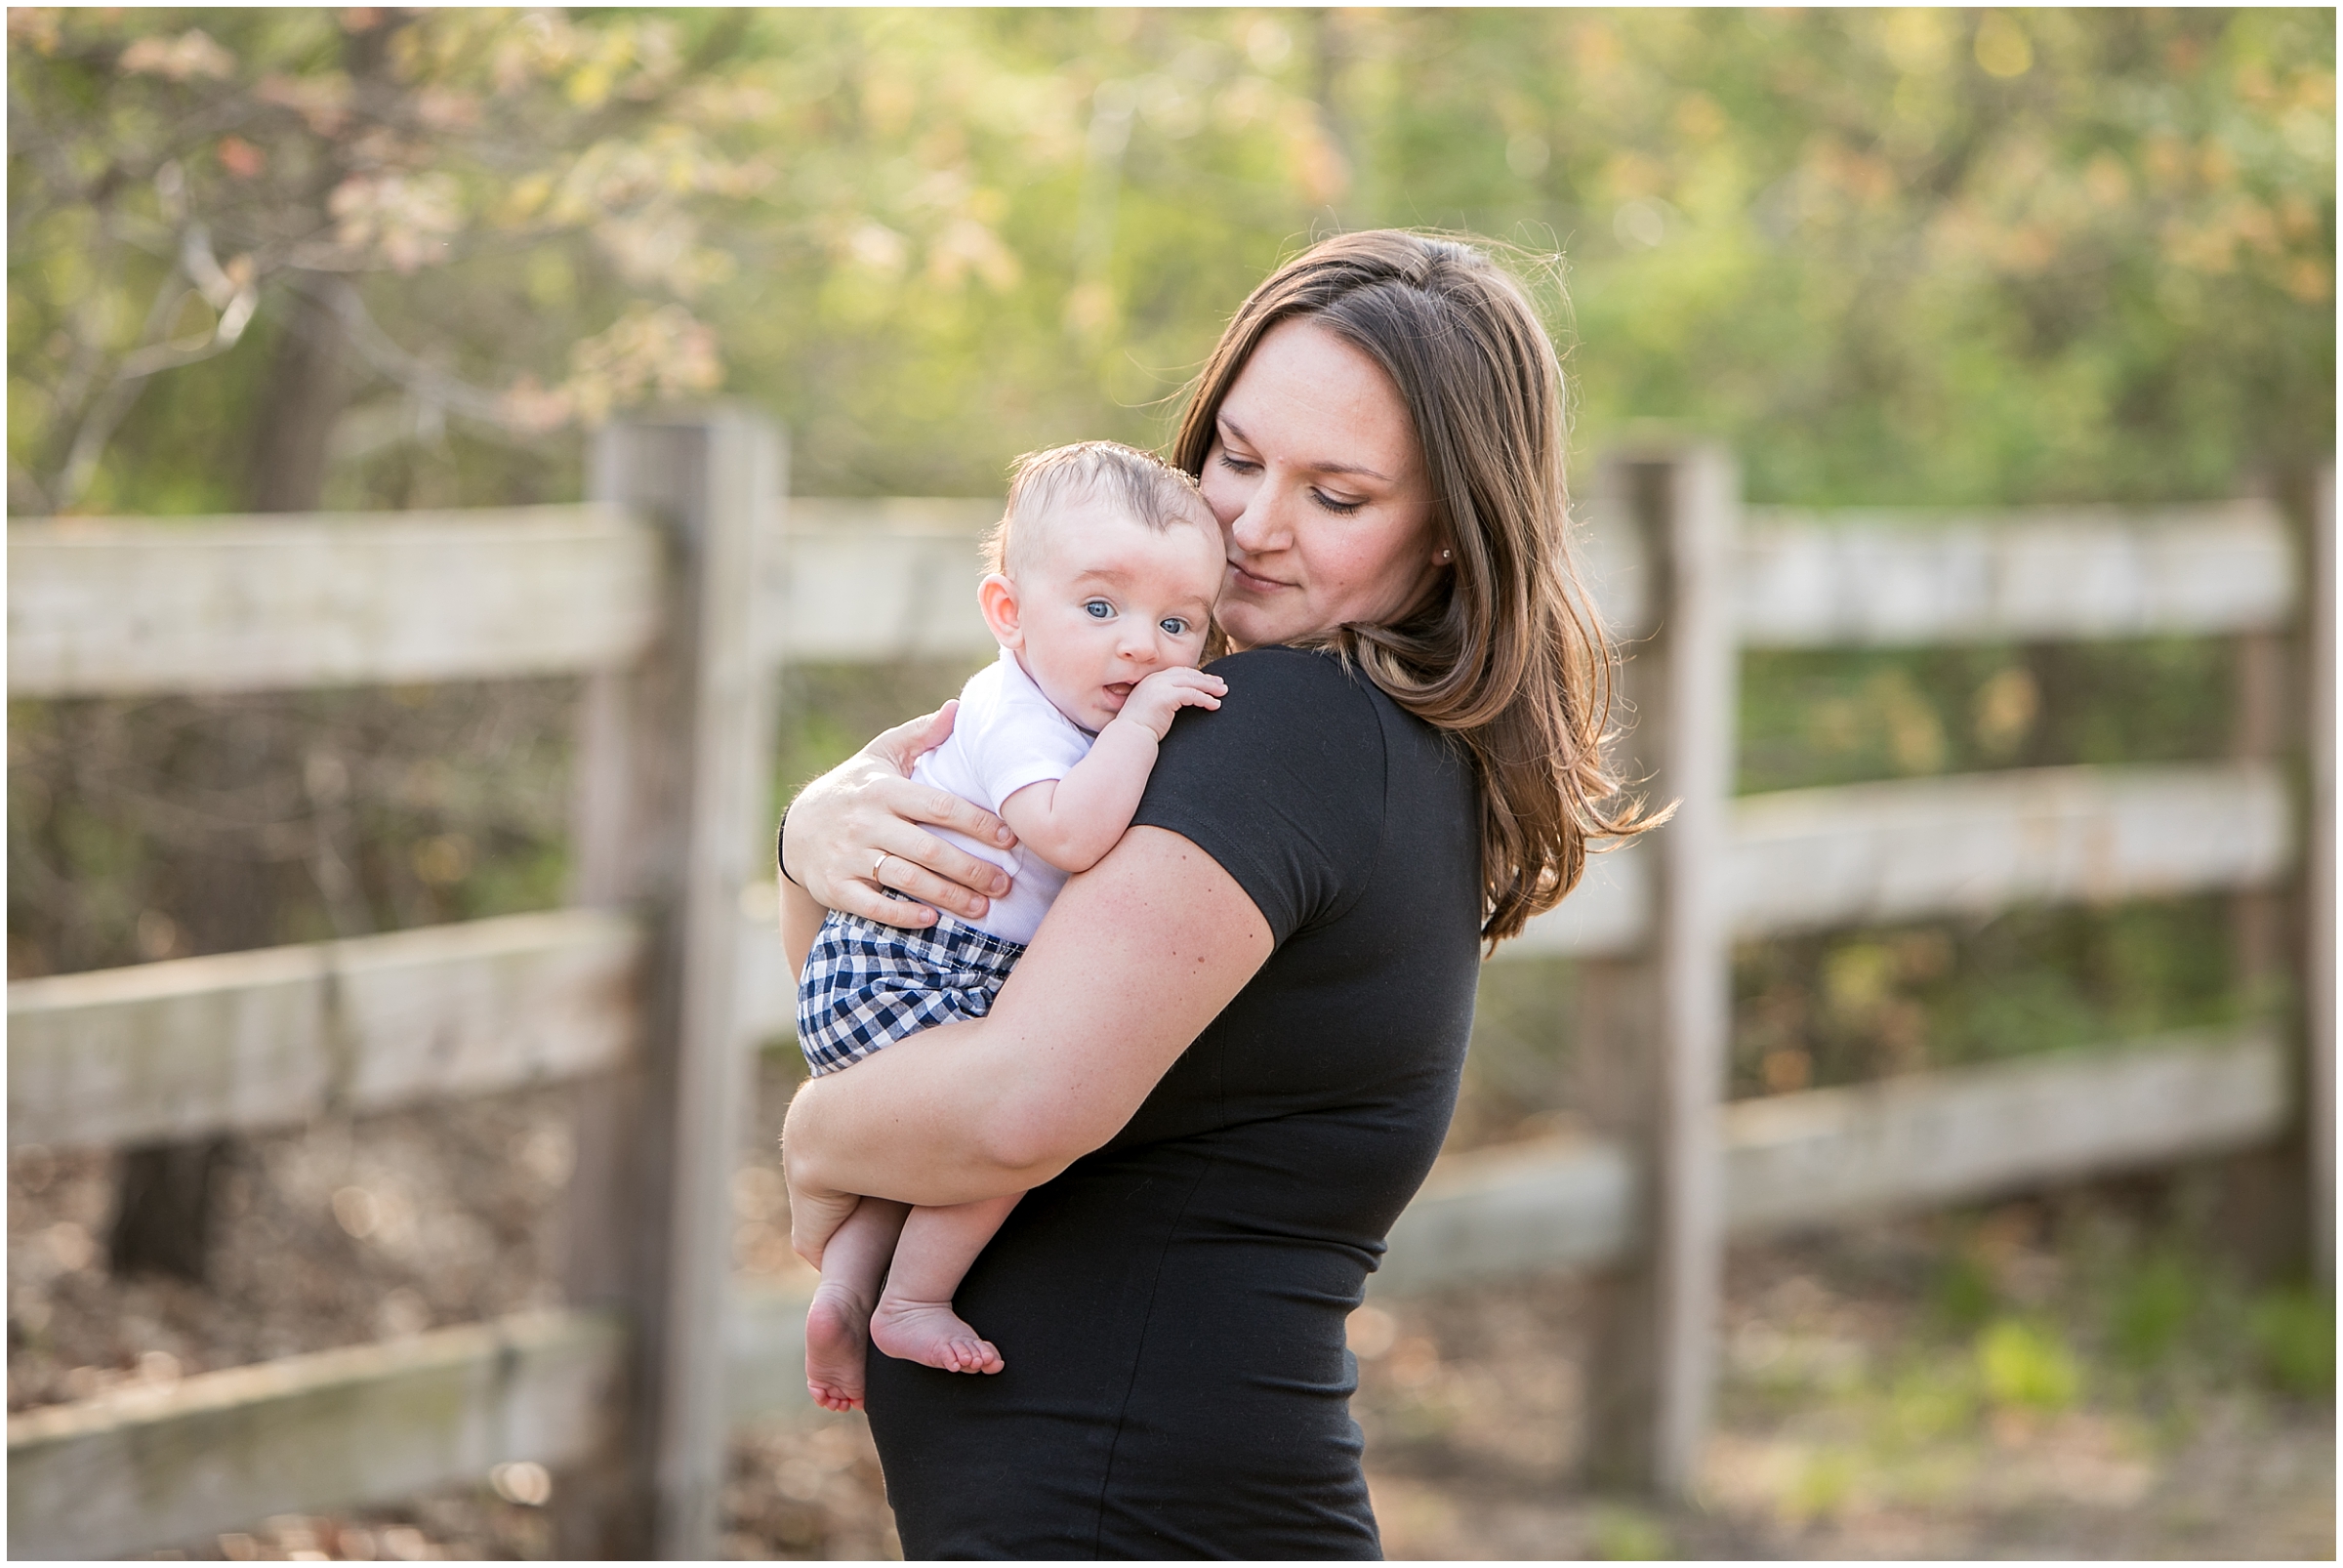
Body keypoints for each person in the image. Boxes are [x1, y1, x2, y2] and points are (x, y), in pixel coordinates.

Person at [777, 229, 1657, 1557]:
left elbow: (1012, 1104)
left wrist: (811, 1137)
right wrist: (811, 837)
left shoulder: (1291, 729)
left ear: (1449, 540)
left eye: (1338, 495)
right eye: (1237, 457)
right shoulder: (1220, 731)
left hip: (1130, 1510)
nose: (1250, 523)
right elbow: (877, 990)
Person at [796, 441, 1227, 1414]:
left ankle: (844, 1294)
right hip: (916, 965)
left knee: (904, 1169)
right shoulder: (1016, 711)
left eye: (1176, 623)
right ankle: (914, 1294)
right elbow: (1068, 835)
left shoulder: (1061, 705)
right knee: (1008, 1129)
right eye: (1101, 608)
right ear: (1009, 613)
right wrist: (1144, 729)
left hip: (909, 961)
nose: (1141, 647)